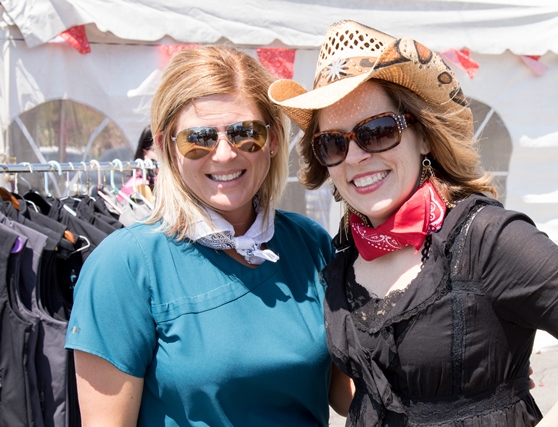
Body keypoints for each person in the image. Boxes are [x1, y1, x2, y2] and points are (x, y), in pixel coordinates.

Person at [269, 20, 558, 426]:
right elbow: (366, 394)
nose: (355, 156)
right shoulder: (344, 256)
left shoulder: (484, 238)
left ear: (424, 136)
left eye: (376, 132)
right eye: (334, 142)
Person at [65, 45, 352, 426]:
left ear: (274, 140)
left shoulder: (310, 242)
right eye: (198, 138)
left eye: (244, 133)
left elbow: (347, 394)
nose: (223, 154)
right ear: (168, 147)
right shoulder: (125, 265)